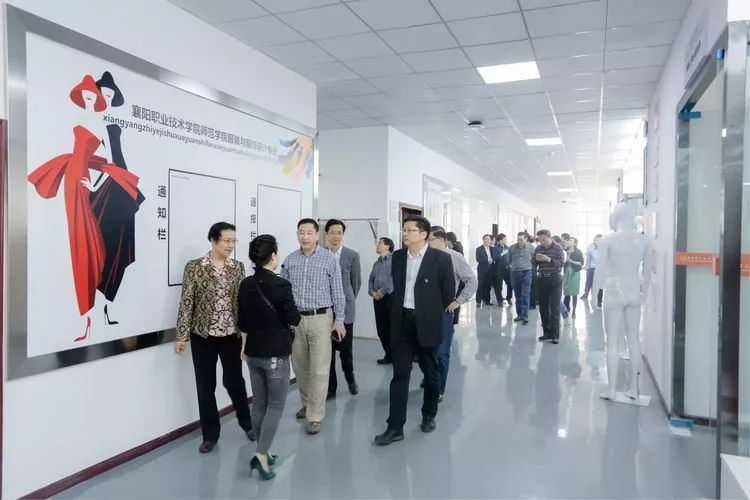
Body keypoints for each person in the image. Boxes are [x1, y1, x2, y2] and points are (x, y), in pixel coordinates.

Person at [374, 216, 455, 446]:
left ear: (424, 234)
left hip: (427, 324)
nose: (405, 234)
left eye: (410, 230)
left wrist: (428, 310)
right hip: (402, 323)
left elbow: (448, 293)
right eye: (404, 230)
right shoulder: (398, 257)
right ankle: (395, 426)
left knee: (430, 372)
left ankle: (429, 415)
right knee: (400, 375)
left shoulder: (441, 259)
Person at [175, 222, 252, 454]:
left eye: (234, 241)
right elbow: (187, 301)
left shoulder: (238, 267)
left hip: (231, 334)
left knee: (235, 381)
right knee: (205, 385)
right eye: (227, 240)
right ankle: (210, 435)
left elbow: (242, 303)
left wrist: (247, 334)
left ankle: (247, 423)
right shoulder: (195, 267)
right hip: (203, 335)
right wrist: (182, 335)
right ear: (213, 240)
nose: (231, 245)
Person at [238, 235, 301, 480]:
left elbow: (242, 321)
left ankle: (262, 450)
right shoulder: (281, 285)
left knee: (259, 404)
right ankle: (262, 455)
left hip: (252, 353)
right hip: (276, 354)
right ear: (273, 256)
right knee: (275, 406)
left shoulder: (245, 284)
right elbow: (293, 318)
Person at [281, 218, 346, 435]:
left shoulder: (329, 259)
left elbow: (338, 292)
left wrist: (339, 320)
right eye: (301, 232)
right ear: (297, 235)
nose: (305, 236)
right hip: (296, 320)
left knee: (319, 369)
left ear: (317, 235)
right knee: (300, 367)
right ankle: (307, 403)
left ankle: (315, 416)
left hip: (321, 318)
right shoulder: (290, 260)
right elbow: (283, 293)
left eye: (309, 232)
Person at [428, 226, 477, 400]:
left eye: (431, 240)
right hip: (425, 312)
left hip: (443, 311)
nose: (428, 243)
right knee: (427, 351)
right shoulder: (425, 257)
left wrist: (458, 301)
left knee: (442, 352)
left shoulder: (454, 257)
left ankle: (439, 388)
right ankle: (431, 378)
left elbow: (471, 280)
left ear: (442, 240)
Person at [324, 219, 362, 399]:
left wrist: (346, 300)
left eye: (339, 232)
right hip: (324, 310)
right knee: (327, 353)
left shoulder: (352, 255)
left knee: (346, 350)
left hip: (346, 310)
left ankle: (350, 378)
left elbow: (356, 283)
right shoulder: (319, 253)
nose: (335, 236)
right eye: (332, 232)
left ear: (343, 235)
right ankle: (331, 387)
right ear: (326, 234)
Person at [533, 229, 565, 345]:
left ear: (549, 237)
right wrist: (536, 260)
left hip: (555, 279)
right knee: (543, 308)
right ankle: (546, 333)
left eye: (543, 239)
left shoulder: (558, 248)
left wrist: (549, 259)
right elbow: (533, 263)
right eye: (539, 240)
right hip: (542, 279)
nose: (541, 242)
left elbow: (561, 264)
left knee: (555, 308)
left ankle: (555, 335)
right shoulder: (538, 248)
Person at [369, 237, 395, 364]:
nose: (377, 245)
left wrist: (382, 292)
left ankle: (398, 357)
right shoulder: (376, 263)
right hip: (377, 299)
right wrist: (372, 292)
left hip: (390, 298)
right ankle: (389, 355)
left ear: (387, 246)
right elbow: (371, 280)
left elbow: (393, 278)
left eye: (380, 243)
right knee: (381, 329)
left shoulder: (394, 261)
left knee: (392, 329)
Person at [509, 232, 535, 325]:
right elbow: (509, 260)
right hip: (515, 273)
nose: (519, 241)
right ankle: (519, 314)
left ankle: (525, 315)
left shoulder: (531, 247)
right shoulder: (512, 248)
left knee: (525, 294)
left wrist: (529, 267)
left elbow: (534, 259)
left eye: (521, 240)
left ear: (526, 239)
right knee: (517, 294)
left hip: (527, 273)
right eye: (518, 240)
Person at [563, 237, 584, 319]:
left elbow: (581, 263)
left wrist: (572, 262)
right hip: (566, 273)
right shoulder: (564, 251)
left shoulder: (578, 252)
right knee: (566, 292)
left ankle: (574, 310)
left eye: (571, 240)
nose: (569, 241)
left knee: (574, 293)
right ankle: (566, 310)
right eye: (569, 240)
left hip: (575, 273)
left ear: (575, 243)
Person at [582, 234, 604, 308]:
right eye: (594, 240)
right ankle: (588, 295)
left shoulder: (604, 249)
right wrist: (586, 266)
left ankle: (599, 301)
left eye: (597, 240)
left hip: (600, 270)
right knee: (589, 283)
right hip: (592, 269)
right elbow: (588, 259)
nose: (595, 241)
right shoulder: (591, 248)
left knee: (600, 285)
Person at [492, 233, 513, 307]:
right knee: (499, 285)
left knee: (510, 284)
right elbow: (495, 258)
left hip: (507, 268)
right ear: (500, 240)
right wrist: (502, 253)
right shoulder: (495, 248)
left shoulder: (508, 247)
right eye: (505, 239)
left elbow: (510, 257)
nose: (506, 240)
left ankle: (509, 298)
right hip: (499, 268)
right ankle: (499, 300)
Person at [475, 234, 495, 306]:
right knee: (480, 284)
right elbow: (478, 259)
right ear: (483, 240)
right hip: (482, 269)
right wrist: (488, 260)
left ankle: (487, 300)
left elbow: (494, 257)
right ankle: (478, 301)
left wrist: (493, 260)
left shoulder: (492, 249)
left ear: (490, 240)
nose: (487, 240)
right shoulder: (479, 249)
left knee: (488, 285)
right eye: (485, 239)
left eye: (488, 239)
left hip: (490, 269)